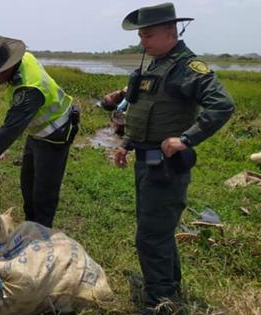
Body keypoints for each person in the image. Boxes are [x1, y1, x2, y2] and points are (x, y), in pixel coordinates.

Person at [101, 3, 234, 314]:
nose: (142, 42)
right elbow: (144, 112)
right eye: (141, 36)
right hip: (145, 161)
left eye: (147, 35)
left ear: (171, 33)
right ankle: (166, 285)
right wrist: (127, 145)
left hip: (166, 166)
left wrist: (186, 138)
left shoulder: (187, 68)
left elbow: (222, 104)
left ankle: (160, 302)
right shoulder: (156, 66)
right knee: (157, 229)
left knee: (151, 234)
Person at [0, 35, 79, 228]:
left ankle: (41, 237)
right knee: (28, 186)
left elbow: (10, 130)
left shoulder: (28, 90)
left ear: (9, 65)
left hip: (55, 134)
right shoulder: (24, 59)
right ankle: (31, 226)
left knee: (43, 194)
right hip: (36, 133)